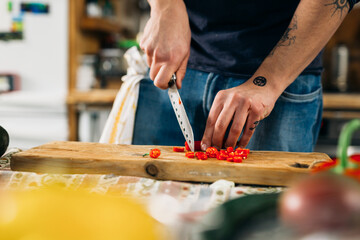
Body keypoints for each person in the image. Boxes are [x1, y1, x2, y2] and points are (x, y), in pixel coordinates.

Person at [132, 0, 359, 152]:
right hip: (174, 65)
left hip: (281, 81)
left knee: (265, 219)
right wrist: (165, 7)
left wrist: (269, 83)